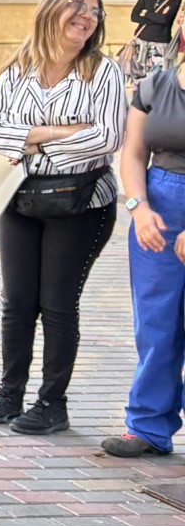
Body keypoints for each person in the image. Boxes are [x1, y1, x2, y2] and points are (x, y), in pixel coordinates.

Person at [0, 0, 126, 435]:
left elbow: (106, 137)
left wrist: (27, 142)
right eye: (77, 6)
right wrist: (55, 134)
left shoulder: (103, 71)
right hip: (18, 196)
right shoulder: (18, 69)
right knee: (17, 303)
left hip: (80, 202)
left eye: (95, 12)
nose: (87, 16)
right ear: (50, 12)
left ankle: (51, 403)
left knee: (57, 305)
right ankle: (9, 393)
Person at [106, 59, 185, 456]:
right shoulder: (156, 85)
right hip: (158, 206)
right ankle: (148, 426)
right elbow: (134, 152)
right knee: (155, 321)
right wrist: (138, 207)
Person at [127, 0, 180, 82]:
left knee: (157, 80)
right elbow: (134, 16)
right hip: (140, 44)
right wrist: (156, 17)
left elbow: (164, 20)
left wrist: (146, 13)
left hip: (160, 45)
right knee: (139, 80)